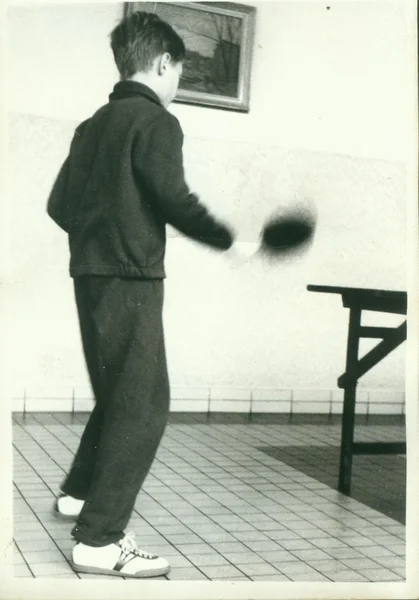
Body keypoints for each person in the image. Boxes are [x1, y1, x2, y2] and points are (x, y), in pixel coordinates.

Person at [47, 11, 240, 578]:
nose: (177, 85)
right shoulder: (156, 122)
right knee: (145, 405)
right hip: (131, 278)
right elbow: (174, 199)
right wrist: (224, 237)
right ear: (162, 63)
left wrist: (99, 238)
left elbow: (60, 205)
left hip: (89, 273)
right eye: (179, 73)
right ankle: (100, 540)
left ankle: (80, 495)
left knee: (117, 392)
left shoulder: (93, 123)